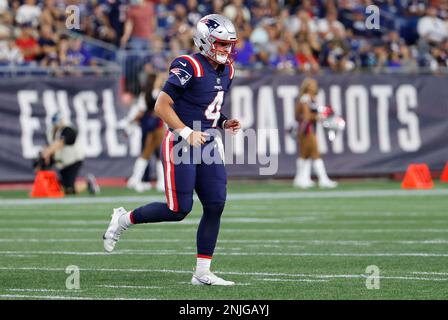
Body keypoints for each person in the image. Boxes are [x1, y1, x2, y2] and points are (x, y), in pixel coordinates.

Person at [103, 14, 241, 285]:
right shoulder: (188, 64)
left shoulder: (228, 70)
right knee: (179, 209)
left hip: (209, 142)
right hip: (181, 141)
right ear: (205, 41)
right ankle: (124, 218)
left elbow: (207, 105)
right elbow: (161, 106)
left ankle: (202, 273)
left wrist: (223, 121)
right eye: (221, 44)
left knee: (215, 204)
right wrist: (186, 132)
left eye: (229, 45)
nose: (226, 50)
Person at [119, 71, 166, 193]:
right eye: (158, 79)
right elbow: (146, 111)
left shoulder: (148, 93)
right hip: (157, 125)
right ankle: (160, 182)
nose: (160, 81)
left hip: (149, 125)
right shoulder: (155, 93)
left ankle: (136, 179)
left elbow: (141, 111)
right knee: (159, 153)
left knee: (148, 152)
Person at [37, 112, 100, 195]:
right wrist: (45, 155)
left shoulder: (68, 130)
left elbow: (60, 143)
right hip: (62, 162)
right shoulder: (50, 132)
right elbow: (48, 145)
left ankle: (88, 184)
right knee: (62, 188)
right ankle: (42, 186)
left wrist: (47, 153)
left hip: (73, 160)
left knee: (68, 189)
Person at [293, 78, 337, 189]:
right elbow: (306, 117)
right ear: (307, 86)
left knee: (305, 155)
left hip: (311, 128)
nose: (315, 86)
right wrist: (320, 117)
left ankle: (301, 178)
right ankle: (323, 179)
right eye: (312, 84)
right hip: (306, 129)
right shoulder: (305, 98)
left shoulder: (313, 99)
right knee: (315, 153)